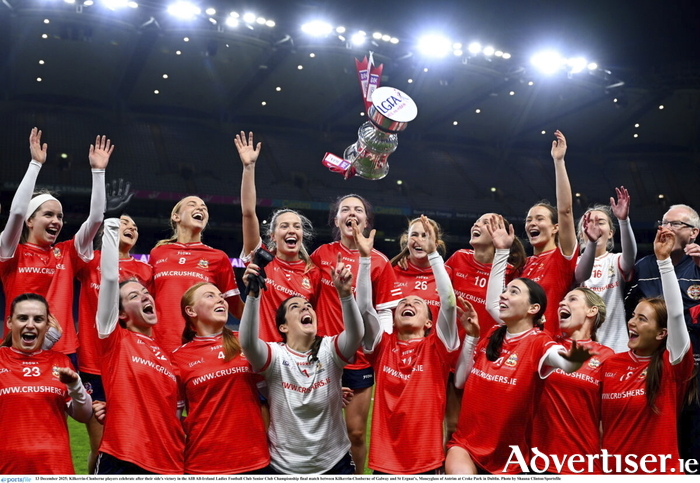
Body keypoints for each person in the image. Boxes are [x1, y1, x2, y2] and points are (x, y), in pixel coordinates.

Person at [445, 214, 595, 475]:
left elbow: (563, 361)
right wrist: (471, 338)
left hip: (511, 459)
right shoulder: (492, 334)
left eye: (514, 292)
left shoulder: (538, 343)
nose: (503, 295)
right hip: (466, 446)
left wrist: (574, 359)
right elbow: (459, 382)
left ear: (533, 308)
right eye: (506, 290)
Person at [239, 253, 363, 474]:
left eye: (308, 305)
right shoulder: (275, 356)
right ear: (283, 327)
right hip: (285, 467)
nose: (306, 308)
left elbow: (355, 335)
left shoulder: (329, 349)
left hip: (334, 463)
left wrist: (345, 295)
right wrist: (253, 294)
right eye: (296, 307)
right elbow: (247, 342)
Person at [358, 216, 459, 474]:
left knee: (451, 425)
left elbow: (448, 304)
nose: (408, 303)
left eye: (425, 235)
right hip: (392, 352)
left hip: (433, 359)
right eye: (414, 234)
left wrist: (434, 254)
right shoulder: (393, 271)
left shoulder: (445, 274)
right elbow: (369, 310)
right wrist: (365, 258)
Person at [310, 194, 402, 473]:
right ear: (336, 220)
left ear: (366, 220)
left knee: (357, 432)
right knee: (317, 429)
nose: (352, 213)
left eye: (358, 209)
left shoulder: (380, 262)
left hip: (360, 358)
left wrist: (378, 348)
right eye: (345, 209)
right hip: (323, 356)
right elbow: (308, 302)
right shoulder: (321, 255)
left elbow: (386, 312)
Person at [0, 129, 110, 360]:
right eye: (48, 215)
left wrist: (98, 171)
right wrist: (35, 164)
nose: (56, 221)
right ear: (30, 221)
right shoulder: (11, 253)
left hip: (64, 350)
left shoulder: (68, 252)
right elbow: (17, 211)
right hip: (19, 348)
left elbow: (97, 219)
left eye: (60, 217)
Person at [601, 227, 695, 474]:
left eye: (642, 319)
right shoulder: (610, 363)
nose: (632, 322)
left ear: (662, 333)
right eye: (633, 316)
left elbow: (675, 314)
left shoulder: (671, 365)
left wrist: (663, 262)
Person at [95, 217, 185, 474]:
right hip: (124, 454)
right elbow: (110, 279)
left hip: (168, 463)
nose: (145, 295)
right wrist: (112, 228)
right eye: (134, 296)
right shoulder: (116, 340)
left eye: (146, 292)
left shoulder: (168, 357)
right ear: (121, 314)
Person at [75, 180, 149, 474]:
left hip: (131, 363)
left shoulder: (147, 271)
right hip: (95, 363)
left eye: (134, 226)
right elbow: (84, 239)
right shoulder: (90, 261)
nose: (130, 227)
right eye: (124, 223)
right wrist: (106, 215)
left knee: (132, 441)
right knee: (101, 444)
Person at [625, 203, 700, 462]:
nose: (665, 228)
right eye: (664, 222)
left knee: (692, 440)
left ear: (694, 233)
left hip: (694, 366)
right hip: (654, 368)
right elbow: (626, 310)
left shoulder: (698, 265)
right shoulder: (644, 266)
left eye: (674, 224)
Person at [171, 282, 270, 474]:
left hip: (254, 460)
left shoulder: (247, 344)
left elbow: (272, 397)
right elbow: (171, 420)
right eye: (210, 296)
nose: (221, 299)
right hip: (203, 464)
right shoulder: (177, 358)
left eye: (221, 296)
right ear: (191, 311)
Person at [235, 130, 320, 341]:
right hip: (264, 355)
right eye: (284, 226)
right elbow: (248, 213)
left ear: (302, 234)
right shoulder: (260, 259)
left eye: (296, 226)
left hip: (299, 359)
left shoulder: (313, 272)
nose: (291, 230)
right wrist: (249, 168)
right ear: (272, 235)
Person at [0, 293, 93, 474]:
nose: (30, 324)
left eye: (38, 319)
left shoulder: (60, 362)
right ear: (10, 322)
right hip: (7, 469)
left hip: (56, 468)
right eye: (23, 318)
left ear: (46, 325)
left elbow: (84, 415)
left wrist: (75, 386)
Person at [529, 287, 615, 474]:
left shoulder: (607, 357)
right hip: (538, 462)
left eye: (573, 299)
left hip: (584, 464)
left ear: (591, 311)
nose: (561, 303)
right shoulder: (547, 345)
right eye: (562, 300)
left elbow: (608, 421)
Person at [521, 130, 592, 338]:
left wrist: (558, 161)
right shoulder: (523, 264)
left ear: (555, 227)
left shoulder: (562, 257)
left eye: (540, 219)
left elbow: (565, 211)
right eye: (528, 220)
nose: (532, 223)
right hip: (517, 346)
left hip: (548, 344)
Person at [150, 195, 244, 352]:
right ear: (176, 216)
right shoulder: (157, 253)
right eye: (192, 204)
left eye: (204, 208)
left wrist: (261, 300)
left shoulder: (218, 257)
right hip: (159, 344)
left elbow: (236, 308)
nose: (200, 208)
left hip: (199, 347)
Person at [575, 188, 637, 353]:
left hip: (616, 345)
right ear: (581, 234)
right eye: (589, 222)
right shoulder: (573, 264)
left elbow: (630, 257)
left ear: (610, 233)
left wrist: (624, 221)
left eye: (601, 222)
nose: (594, 226)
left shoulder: (615, 260)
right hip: (582, 346)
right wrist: (592, 244)